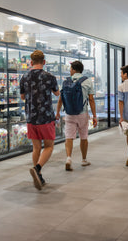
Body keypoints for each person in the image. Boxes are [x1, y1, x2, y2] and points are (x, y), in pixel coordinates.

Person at [20, 50, 60, 190]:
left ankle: (39, 175)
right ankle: (37, 168)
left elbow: (23, 97)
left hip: (31, 117)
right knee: (49, 146)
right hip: (46, 117)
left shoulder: (24, 77)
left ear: (31, 62)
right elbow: (57, 93)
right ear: (44, 62)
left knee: (36, 147)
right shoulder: (50, 77)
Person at [56, 60, 97, 171]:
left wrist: (57, 113)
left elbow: (60, 100)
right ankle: (83, 160)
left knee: (69, 137)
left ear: (74, 70)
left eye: (70, 69)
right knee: (83, 137)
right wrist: (94, 116)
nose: (69, 71)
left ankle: (69, 158)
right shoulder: (87, 81)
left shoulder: (66, 82)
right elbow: (91, 100)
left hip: (69, 113)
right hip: (82, 113)